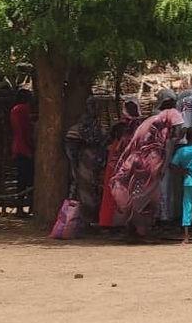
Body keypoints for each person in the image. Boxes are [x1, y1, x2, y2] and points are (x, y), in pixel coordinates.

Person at [108, 92, 184, 242]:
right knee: (147, 197)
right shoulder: (171, 115)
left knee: (134, 195)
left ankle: (131, 230)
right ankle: (142, 232)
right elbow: (169, 141)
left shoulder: (151, 119)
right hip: (149, 164)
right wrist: (164, 166)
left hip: (135, 161)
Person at [98, 97, 143, 228]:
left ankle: (126, 223)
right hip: (118, 161)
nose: (132, 110)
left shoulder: (140, 125)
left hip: (132, 161)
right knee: (112, 190)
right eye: (130, 107)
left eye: (134, 107)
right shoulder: (120, 126)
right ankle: (108, 222)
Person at [65, 96, 104, 224]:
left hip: (95, 162)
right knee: (84, 190)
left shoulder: (96, 125)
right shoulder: (83, 126)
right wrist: (75, 163)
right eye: (97, 107)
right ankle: (84, 220)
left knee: (93, 190)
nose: (99, 110)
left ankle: (91, 220)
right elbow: (72, 145)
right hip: (85, 162)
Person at [155, 88, 181, 224]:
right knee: (162, 185)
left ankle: (170, 214)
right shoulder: (157, 115)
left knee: (171, 186)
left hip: (171, 152)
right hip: (160, 153)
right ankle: (163, 216)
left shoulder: (172, 114)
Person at [9, 89, 34, 218]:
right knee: (29, 179)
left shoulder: (15, 109)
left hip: (17, 148)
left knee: (22, 180)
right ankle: (29, 207)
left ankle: (21, 207)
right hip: (25, 149)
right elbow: (26, 131)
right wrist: (32, 146)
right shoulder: (24, 109)